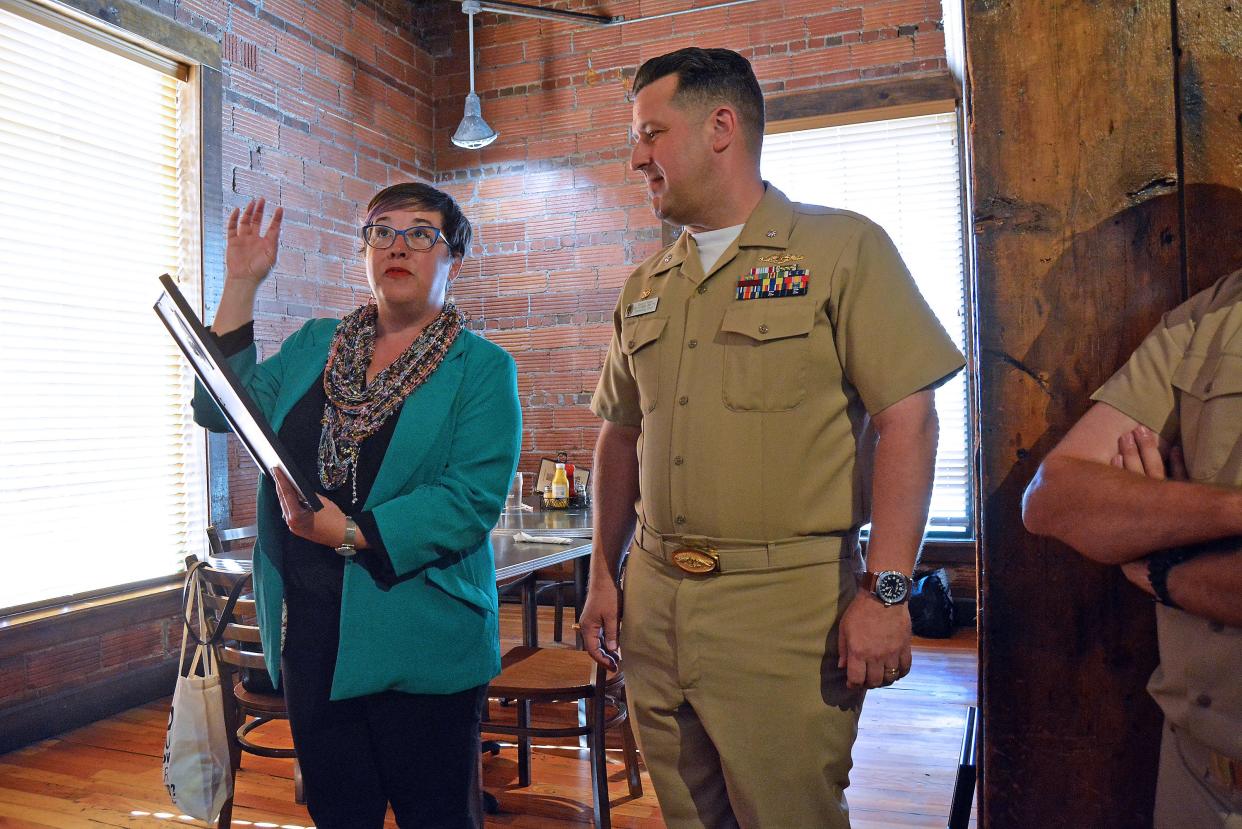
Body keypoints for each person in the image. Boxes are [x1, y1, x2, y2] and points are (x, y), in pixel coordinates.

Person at [578, 47, 965, 828]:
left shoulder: (840, 250)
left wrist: (888, 591)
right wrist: (601, 573)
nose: (636, 156)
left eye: (652, 133)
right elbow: (620, 434)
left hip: (786, 609)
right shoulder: (645, 287)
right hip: (655, 603)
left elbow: (908, 421)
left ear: (721, 127)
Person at [192, 184, 521, 828]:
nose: (398, 244)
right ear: (365, 250)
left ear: (453, 255)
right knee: (341, 815)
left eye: (421, 231)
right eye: (382, 230)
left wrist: (349, 532)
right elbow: (218, 407)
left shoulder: (481, 368)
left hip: (423, 634)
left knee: (437, 817)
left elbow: (468, 500)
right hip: (316, 634)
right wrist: (241, 285)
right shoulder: (316, 345)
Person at [1023, 270, 1242, 828]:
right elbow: (1052, 495)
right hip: (1201, 779)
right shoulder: (1212, 313)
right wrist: (1224, 512)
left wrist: (1165, 564)